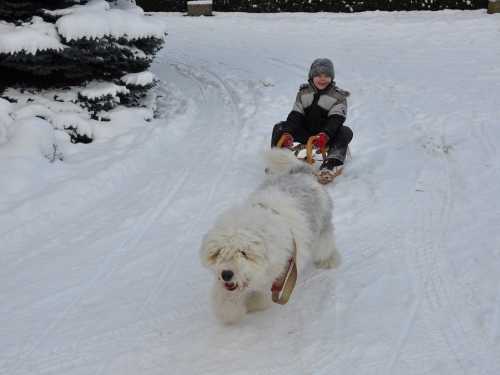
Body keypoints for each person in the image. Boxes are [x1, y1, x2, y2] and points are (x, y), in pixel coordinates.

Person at [271, 58, 353, 183]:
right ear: (311, 76)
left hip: (327, 135)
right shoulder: (304, 93)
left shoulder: (338, 96)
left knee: (345, 132)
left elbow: (336, 119)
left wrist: (325, 134)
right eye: (318, 75)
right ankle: (279, 160)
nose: (322, 79)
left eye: (326, 76)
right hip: (306, 131)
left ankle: (331, 164)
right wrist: (288, 132)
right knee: (280, 127)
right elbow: (296, 115)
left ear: (332, 78)